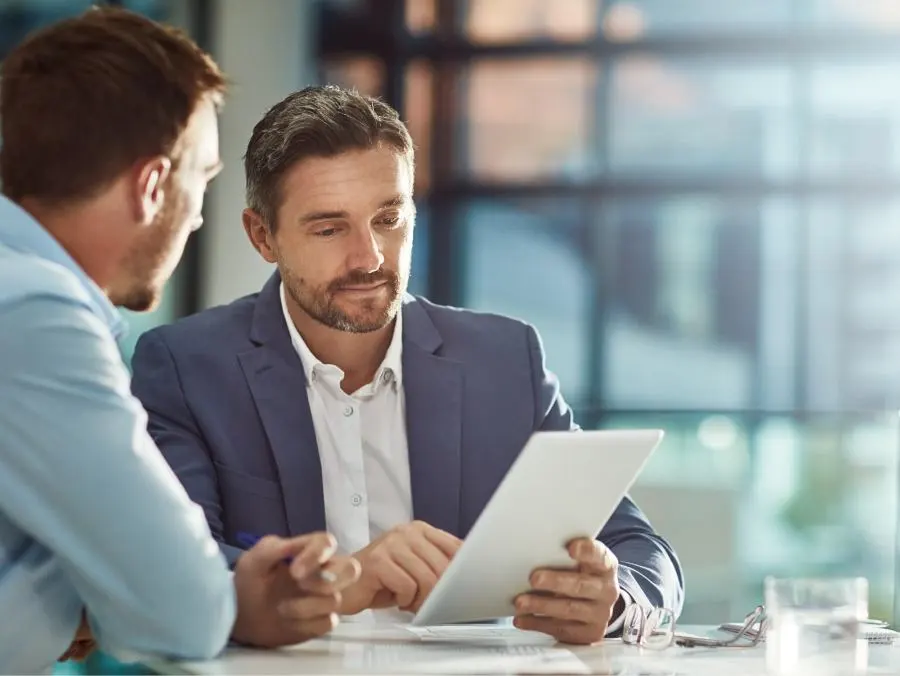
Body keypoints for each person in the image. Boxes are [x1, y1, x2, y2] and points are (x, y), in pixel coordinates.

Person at [131, 85, 684, 645]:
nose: (369, 257)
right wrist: (345, 580)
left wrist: (613, 600)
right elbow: (170, 568)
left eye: (389, 218)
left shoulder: (505, 361)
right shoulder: (185, 367)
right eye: (329, 229)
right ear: (262, 236)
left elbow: (644, 553)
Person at [0, 11, 359, 674]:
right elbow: (184, 612)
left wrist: (87, 600)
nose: (197, 216)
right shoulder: (35, 315)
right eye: (202, 180)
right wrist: (212, 597)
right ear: (153, 185)